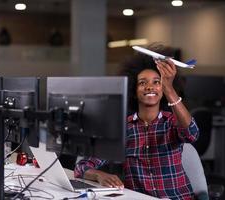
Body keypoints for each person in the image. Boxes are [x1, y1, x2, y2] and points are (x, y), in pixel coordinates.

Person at [74, 44, 199, 200]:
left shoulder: (172, 122)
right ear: (133, 91)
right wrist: (100, 175)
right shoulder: (122, 128)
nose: (149, 87)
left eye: (156, 82)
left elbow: (192, 134)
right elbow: (81, 167)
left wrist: (169, 89)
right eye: (142, 83)